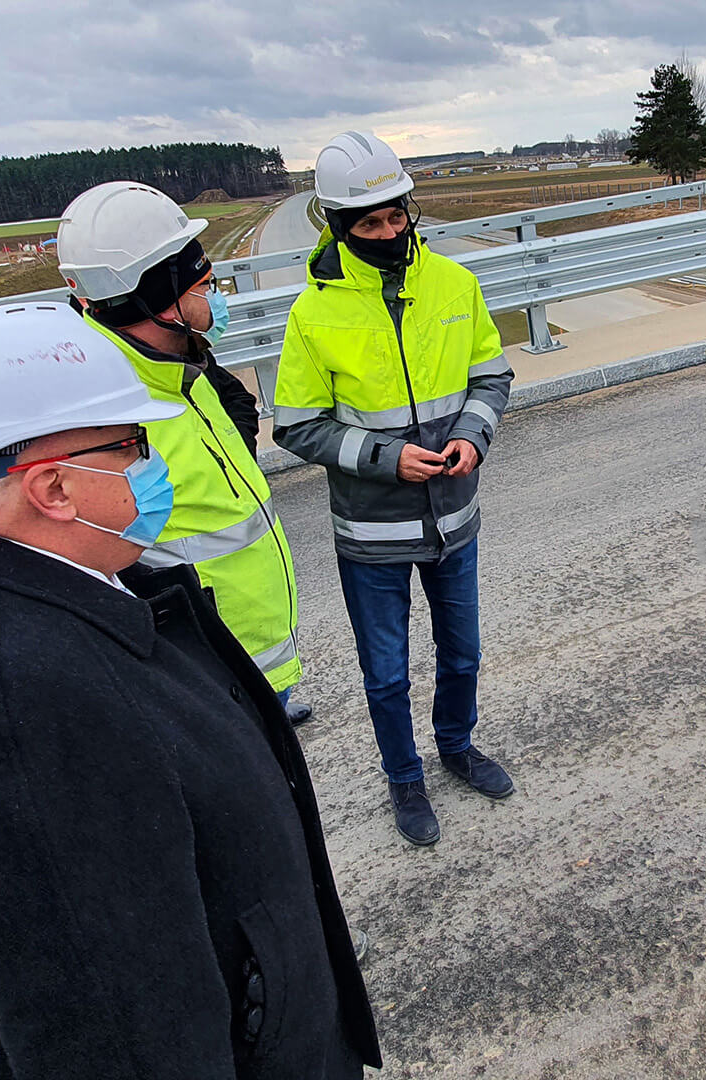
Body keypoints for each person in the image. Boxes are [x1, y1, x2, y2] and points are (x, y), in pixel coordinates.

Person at [0, 302, 380, 1078]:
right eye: (133, 445)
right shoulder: (9, 706)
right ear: (54, 489)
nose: (153, 463)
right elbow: (115, 1036)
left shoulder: (85, 592)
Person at [273, 130, 515, 847]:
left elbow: (491, 376)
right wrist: (385, 459)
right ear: (339, 226)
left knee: (462, 652)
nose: (387, 230)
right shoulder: (314, 314)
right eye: (369, 222)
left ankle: (457, 747)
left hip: (454, 518)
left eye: (395, 215)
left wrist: (473, 436)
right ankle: (404, 779)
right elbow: (297, 426)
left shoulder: (454, 283)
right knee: (385, 675)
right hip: (371, 533)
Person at [56, 182, 313, 725]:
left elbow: (234, 426)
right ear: (160, 298)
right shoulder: (108, 410)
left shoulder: (178, 368)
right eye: (205, 284)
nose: (215, 297)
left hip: (247, 650)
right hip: (203, 676)